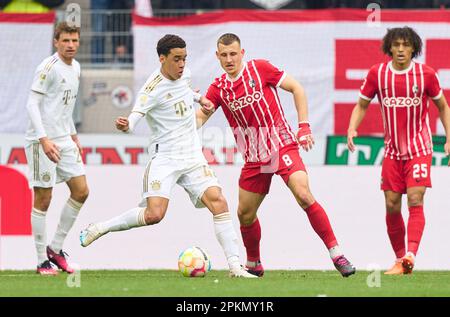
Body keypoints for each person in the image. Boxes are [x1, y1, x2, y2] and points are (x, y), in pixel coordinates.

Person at [79, 34, 256, 278]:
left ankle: (235, 267)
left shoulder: (185, 73)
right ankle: (101, 227)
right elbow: (134, 117)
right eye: (176, 59)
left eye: (184, 58)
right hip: (165, 158)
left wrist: (200, 98)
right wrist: (126, 125)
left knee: (219, 201)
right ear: (162, 59)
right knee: (154, 215)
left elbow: (184, 90)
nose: (182, 64)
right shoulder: (151, 89)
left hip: (192, 155)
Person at [197, 33, 356, 277]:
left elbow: (296, 88)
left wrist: (304, 126)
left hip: (280, 144)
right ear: (217, 56)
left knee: (303, 194)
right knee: (245, 214)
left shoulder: (260, 68)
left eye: (233, 54)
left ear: (242, 53)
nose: (229, 59)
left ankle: (337, 254)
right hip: (254, 157)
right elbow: (200, 117)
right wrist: (180, 118)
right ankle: (253, 264)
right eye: (224, 55)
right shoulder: (219, 88)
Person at [347, 27, 450, 275]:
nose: (401, 49)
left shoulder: (426, 75)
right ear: (389, 48)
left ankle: (410, 255)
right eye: (396, 45)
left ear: (414, 48)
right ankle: (399, 259)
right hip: (392, 151)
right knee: (392, 204)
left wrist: (448, 138)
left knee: (415, 198)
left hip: (419, 147)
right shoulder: (377, 74)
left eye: (406, 45)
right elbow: (362, 104)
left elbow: (443, 107)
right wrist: (352, 128)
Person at [25, 22, 88, 275]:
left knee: (81, 191)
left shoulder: (77, 67)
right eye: (66, 41)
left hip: (64, 138)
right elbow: (32, 104)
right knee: (44, 198)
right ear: (56, 42)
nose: (70, 45)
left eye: (74, 40)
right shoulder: (48, 67)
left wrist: (73, 134)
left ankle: (56, 248)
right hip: (42, 140)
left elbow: (63, 107)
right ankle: (42, 260)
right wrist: (44, 139)